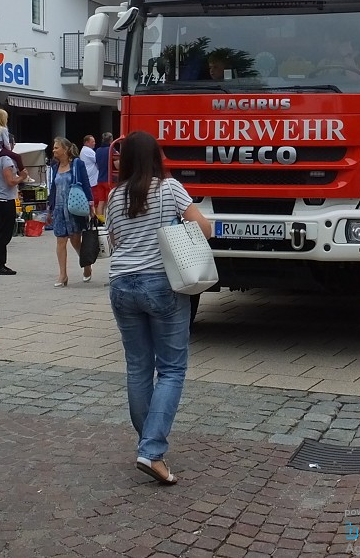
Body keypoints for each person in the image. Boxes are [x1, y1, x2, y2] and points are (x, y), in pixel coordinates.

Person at [105, 130, 212, 485]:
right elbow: (203, 228)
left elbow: (116, 241)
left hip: (121, 284)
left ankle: (147, 445)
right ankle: (151, 451)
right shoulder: (169, 188)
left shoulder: (115, 195)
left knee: (138, 367)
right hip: (160, 284)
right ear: (156, 157)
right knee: (171, 369)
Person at [46, 137, 94, 286]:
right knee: (60, 241)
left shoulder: (77, 164)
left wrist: (91, 204)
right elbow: (53, 188)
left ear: (65, 149)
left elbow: (86, 183)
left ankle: (86, 265)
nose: (53, 150)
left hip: (74, 208)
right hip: (59, 209)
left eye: (56, 148)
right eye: (53, 148)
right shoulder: (54, 167)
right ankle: (63, 275)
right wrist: (50, 208)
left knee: (75, 240)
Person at [0, 139, 26, 276]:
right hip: (6, 199)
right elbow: (10, 181)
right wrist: (22, 177)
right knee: (5, 233)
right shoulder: (6, 159)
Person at [0, 107, 24, 172]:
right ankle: (24, 174)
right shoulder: (3, 129)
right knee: (17, 157)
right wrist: (10, 152)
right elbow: (7, 144)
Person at [94, 132, 113, 221]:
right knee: (110, 202)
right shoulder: (111, 150)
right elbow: (117, 165)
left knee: (101, 202)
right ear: (111, 140)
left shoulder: (97, 151)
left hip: (100, 179)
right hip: (109, 180)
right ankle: (109, 222)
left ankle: (101, 221)